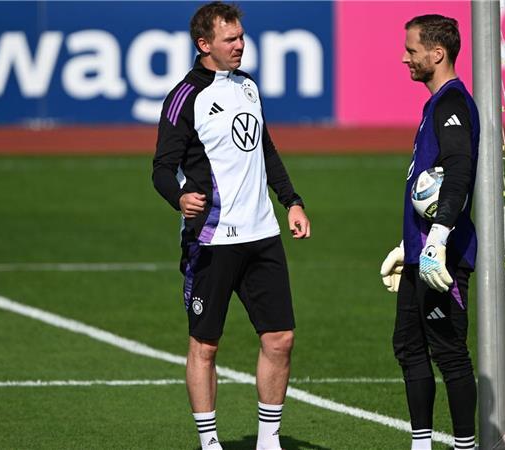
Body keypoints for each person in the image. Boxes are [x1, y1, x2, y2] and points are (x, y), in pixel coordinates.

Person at [152, 2, 310, 449]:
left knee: (280, 338)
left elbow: (266, 150)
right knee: (205, 346)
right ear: (205, 45)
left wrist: (291, 201)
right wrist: (178, 197)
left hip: (263, 236)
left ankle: (269, 441)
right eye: (230, 39)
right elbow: (162, 167)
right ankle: (209, 444)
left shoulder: (248, 86)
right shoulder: (185, 97)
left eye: (241, 36)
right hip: (212, 239)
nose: (240, 45)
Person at [379, 14, 479, 450]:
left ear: (437, 54)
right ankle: (421, 443)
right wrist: (410, 243)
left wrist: (436, 240)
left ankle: (465, 445)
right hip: (423, 252)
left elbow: (457, 174)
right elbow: (429, 186)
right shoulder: (435, 104)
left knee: (449, 352)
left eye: (412, 50)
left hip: (443, 256)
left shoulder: (453, 104)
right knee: (408, 345)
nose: (405, 58)